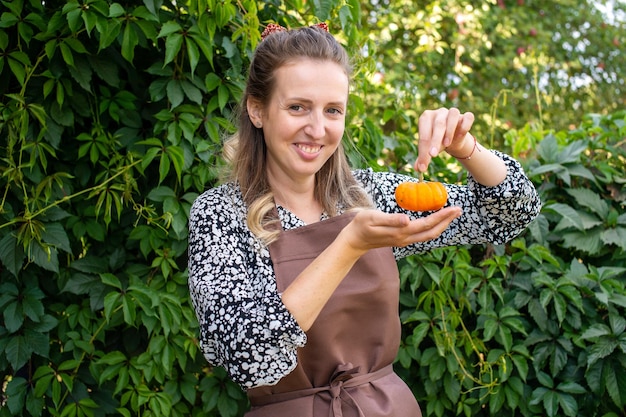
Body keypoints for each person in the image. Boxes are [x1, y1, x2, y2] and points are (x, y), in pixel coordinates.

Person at [187, 22, 541, 417]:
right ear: (257, 109)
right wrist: (348, 245)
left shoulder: (365, 196)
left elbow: (509, 214)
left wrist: (465, 147)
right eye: (297, 107)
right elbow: (247, 356)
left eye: (333, 110)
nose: (317, 129)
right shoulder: (221, 215)